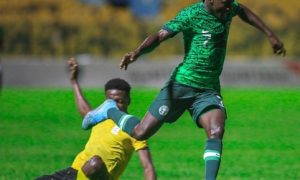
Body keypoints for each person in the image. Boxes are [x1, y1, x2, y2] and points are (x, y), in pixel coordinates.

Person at [83, 0, 286, 179]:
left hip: (207, 90)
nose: (228, 6)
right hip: (180, 86)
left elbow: (243, 11)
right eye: (225, 2)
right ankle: (109, 109)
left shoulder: (228, 7)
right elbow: (161, 35)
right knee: (139, 133)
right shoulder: (191, 15)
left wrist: (270, 35)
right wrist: (138, 52)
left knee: (216, 130)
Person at [36, 58, 156, 180]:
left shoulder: (132, 126)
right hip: (73, 172)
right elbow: (85, 113)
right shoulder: (101, 117)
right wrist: (74, 81)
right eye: (110, 101)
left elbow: (147, 166)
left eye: (120, 101)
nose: (114, 106)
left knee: (95, 164)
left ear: (128, 101)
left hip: (97, 175)